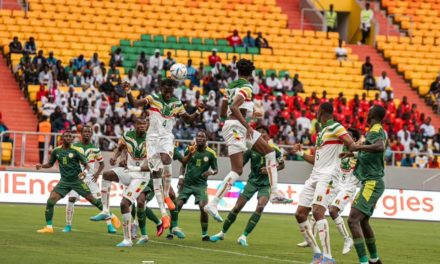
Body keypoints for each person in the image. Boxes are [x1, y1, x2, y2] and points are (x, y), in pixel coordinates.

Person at [204, 59, 291, 223]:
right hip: (238, 127)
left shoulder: (230, 87)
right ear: (251, 73)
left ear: (238, 71)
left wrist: (248, 115)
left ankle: (274, 193)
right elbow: (236, 108)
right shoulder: (247, 87)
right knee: (237, 169)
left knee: (270, 152)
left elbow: (223, 111)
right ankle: (214, 203)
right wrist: (247, 124)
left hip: (237, 126)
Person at [126, 78, 205, 227]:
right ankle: (163, 214)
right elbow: (134, 104)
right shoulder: (153, 98)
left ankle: (167, 194)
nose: (168, 94)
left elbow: (187, 120)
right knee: (156, 175)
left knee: (167, 159)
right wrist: (128, 91)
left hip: (166, 137)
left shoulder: (176, 102)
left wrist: (197, 112)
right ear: (161, 88)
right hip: (152, 139)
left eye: (171, 91)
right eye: (166, 91)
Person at [292, 102, 357, 264]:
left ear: (321, 111)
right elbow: (316, 160)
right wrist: (300, 153)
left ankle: (328, 258)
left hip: (328, 177)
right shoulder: (322, 133)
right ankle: (318, 254)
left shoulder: (336, 127)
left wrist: (350, 153)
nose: (315, 113)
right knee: (300, 214)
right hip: (315, 175)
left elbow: (351, 143)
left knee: (317, 212)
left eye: (316, 110)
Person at [210, 127, 284, 246]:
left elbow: (282, 165)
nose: (262, 136)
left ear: (268, 137)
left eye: (264, 134)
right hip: (252, 182)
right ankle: (222, 233)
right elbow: (240, 164)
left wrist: (270, 169)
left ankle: (243, 236)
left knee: (260, 207)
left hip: (266, 184)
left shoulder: (274, 150)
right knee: (237, 207)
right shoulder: (251, 150)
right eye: (260, 134)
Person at [297, 128, 361, 255]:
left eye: (348, 136)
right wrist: (301, 153)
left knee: (332, 210)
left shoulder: (360, 152)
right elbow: (317, 161)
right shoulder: (338, 149)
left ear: (353, 140)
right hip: (335, 184)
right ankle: (312, 237)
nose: (344, 137)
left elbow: (370, 156)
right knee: (317, 208)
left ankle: (347, 239)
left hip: (348, 187)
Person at [90, 118, 151, 247]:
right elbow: (120, 148)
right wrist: (114, 157)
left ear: (147, 126)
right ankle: (105, 210)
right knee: (106, 174)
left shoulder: (151, 138)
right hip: (128, 171)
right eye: (139, 124)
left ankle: (127, 240)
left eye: (144, 124)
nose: (142, 126)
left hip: (141, 176)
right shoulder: (128, 135)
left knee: (124, 203)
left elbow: (151, 163)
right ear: (135, 125)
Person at [35, 131, 104, 233]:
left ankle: (110, 214)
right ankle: (49, 227)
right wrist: (41, 166)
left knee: (92, 200)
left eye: (70, 137)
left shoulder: (76, 150)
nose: (68, 138)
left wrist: (84, 173)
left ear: (72, 139)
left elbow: (86, 164)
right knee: (51, 201)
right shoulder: (56, 151)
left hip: (77, 181)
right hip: (64, 181)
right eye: (66, 136)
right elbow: (50, 164)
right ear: (62, 138)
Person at [347, 105, 387, 264]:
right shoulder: (378, 130)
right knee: (363, 221)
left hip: (372, 183)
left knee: (352, 220)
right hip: (372, 181)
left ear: (373, 114)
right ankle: (375, 260)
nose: (367, 110)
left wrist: (358, 146)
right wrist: (355, 153)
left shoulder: (376, 129)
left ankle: (363, 261)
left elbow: (379, 147)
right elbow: (373, 153)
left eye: (369, 109)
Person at [62, 126, 119, 233]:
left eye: (89, 132)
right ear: (81, 133)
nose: (87, 133)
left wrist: (97, 174)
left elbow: (102, 164)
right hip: (76, 179)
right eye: (85, 131)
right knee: (71, 199)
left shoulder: (95, 149)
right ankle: (68, 225)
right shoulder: (74, 147)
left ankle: (109, 225)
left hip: (91, 179)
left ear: (92, 134)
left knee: (100, 202)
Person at [173, 131, 218, 241]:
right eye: (198, 136)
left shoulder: (211, 153)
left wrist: (210, 172)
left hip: (201, 185)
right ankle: (172, 230)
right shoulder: (190, 149)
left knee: (204, 208)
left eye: (202, 136)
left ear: (206, 139)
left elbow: (216, 169)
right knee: (176, 206)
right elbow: (183, 164)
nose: (199, 138)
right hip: (187, 184)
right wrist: (180, 178)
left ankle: (204, 234)